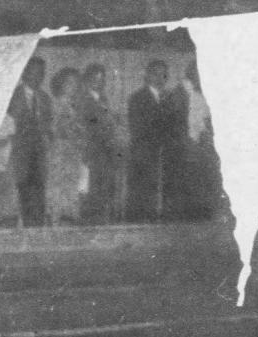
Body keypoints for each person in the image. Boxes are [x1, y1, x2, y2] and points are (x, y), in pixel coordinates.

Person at [162, 61, 219, 222]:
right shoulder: (179, 94)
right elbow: (174, 125)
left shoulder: (201, 93)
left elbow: (206, 120)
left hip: (199, 150)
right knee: (184, 193)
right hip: (182, 151)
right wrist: (188, 142)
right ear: (194, 74)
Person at [125, 59, 173, 223]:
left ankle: (155, 220)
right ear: (147, 76)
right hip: (144, 152)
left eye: (164, 75)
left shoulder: (168, 98)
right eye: (155, 74)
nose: (160, 78)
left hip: (163, 152)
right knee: (142, 189)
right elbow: (139, 127)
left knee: (159, 190)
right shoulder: (138, 98)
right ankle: (138, 221)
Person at [8, 57, 52, 227]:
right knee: (23, 189)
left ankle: (38, 226)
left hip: (39, 152)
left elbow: (48, 125)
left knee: (39, 189)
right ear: (24, 73)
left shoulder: (45, 98)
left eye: (41, 74)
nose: (37, 77)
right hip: (20, 152)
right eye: (33, 72)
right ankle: (25, 225)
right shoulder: (13, 96)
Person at [45, 66, 87, 226]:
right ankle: (55, 223)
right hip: (59, 152)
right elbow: (58, 129)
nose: (73, 86)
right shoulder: (55, 104)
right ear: (60, 84)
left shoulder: (75, 105)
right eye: (69, 83)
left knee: (72, 188)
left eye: (76, 83)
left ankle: (67, 223)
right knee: (57, 188)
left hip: (73, 153)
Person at [78, 63, 118, 224]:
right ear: (87, 80)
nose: (99, 83)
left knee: (103, 188)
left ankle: (100, 221)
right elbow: (88, 125)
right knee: (89, 189)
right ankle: (88, 223)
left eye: (102, 80)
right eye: (95, 79)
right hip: (90, 151)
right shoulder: (82, 99)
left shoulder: (104, 99)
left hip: (105, 151)